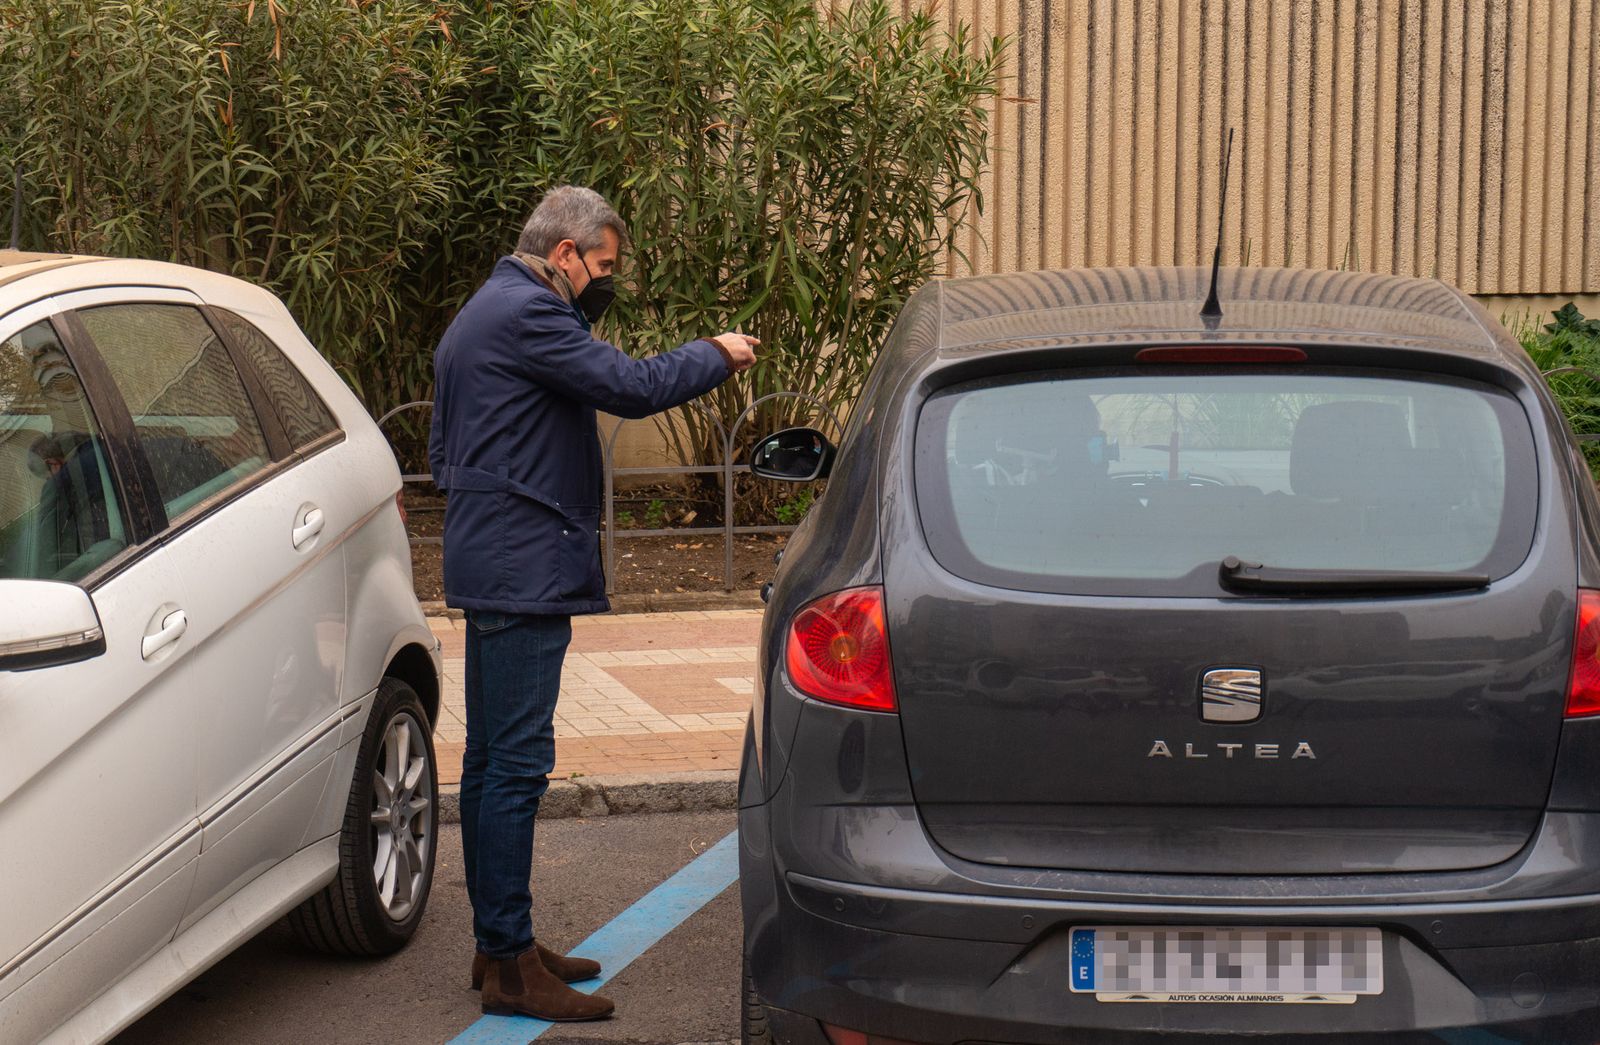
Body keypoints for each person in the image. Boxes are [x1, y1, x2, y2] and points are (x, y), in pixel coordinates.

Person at [427, 186, 756, 1022]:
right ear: (565, 252)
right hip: (522, 564)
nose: (606, 281)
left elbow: (443, 445)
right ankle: (508, 964)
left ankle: (500, 942)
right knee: (515, 766)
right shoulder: (530, 313)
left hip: (496, 556)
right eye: (603, 265)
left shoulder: (485, 308)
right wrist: (715, 353)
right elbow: (630, 385)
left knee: (492, 761)